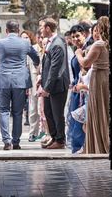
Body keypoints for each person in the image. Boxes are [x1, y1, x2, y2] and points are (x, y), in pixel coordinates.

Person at [0, 20, 40, 150]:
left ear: (6, 30)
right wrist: (36, 63)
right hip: (20, 81)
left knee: (4, 111)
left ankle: (7, 141)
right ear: (18, 30)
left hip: (3, 80)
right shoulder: (25, 43)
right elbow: (36, 57)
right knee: (17, 112)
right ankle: (16, 141)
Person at [75, 17, 110, 154]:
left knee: (98, 111)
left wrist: (78, 53)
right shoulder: (108, 44)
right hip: (106, 77)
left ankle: (99, 146)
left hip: (98, 79)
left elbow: (85, 63)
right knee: (105, 111)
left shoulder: (99, 45)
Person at [37, 17, 70, 150]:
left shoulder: (57, 43)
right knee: (48, 112)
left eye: (41, 27)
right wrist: (42, 80)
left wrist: (47, 88)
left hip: (57, 86)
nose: (40, 30)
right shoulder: (51, 42)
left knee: (57, 114)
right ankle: (55, 137)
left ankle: (60, 140)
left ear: (48, 28)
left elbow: (55, 69)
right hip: (49, 84)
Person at [67, 25, 86, 153]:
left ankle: (79, 147)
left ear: (84, 34)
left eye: (78, 36)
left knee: (79, 120)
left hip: (82, 90)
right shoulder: (76, 49)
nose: (75, 39)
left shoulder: (85, 50)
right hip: (75, 89)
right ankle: (75, 147)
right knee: (73, 119)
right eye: (73, 37)